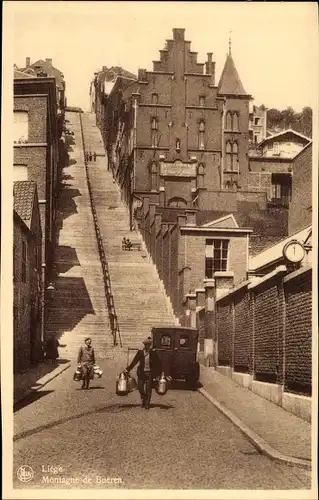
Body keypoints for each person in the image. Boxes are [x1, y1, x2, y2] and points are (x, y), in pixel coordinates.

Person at [124, 337, 163, 410]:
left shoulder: (153, 353)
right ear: (144, 345)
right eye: (147, 344)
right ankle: (144, 398)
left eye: (149, 344)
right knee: (140, 387)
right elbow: (134, 362)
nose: (148, 346)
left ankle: (147, 404)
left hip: (150, 373)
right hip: (141, 373)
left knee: (148, 389)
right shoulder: (140, 352)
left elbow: (158, 363)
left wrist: (159, 373)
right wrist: (128, 369)